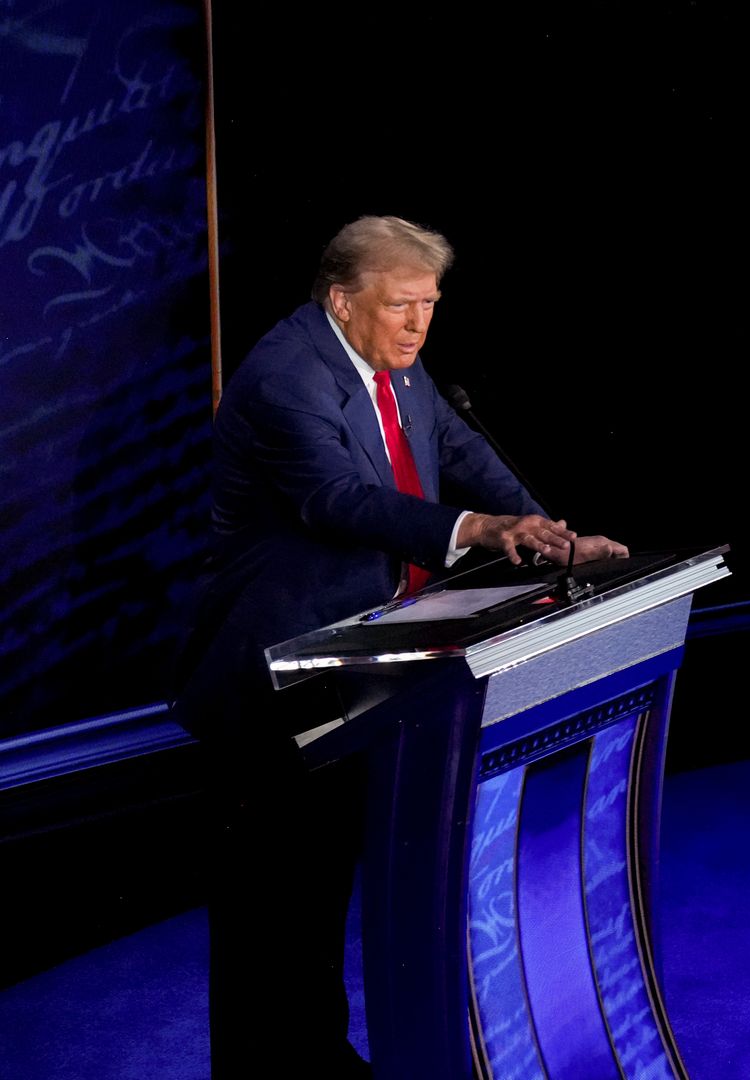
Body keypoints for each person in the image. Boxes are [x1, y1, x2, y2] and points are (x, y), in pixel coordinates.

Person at [173, 215, 626, 1077]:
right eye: (402, 306)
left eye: (430, 305)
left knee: (320, 888)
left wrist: (550, 537)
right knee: (272, 902)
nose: (419, 325)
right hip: (274, 680)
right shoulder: (284, 377)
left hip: (360, 666)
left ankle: (312, 1055)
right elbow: (337, 500)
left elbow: (461, 449)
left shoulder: (395, 368)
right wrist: (481, 530)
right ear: (343, 301)